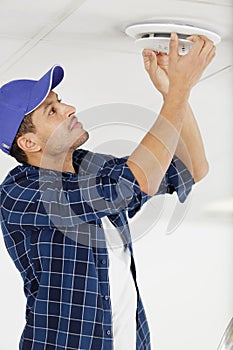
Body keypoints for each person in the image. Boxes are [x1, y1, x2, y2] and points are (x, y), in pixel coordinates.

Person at [0, 33, 215, 350]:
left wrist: (175, 91)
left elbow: (191, 168)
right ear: (29, 143)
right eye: (52, 111)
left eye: (61, 101)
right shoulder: (19, 192)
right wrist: (178, 92)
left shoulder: (91, 167)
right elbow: (129, 184)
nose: (70, 108)